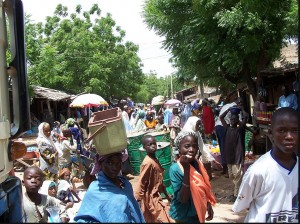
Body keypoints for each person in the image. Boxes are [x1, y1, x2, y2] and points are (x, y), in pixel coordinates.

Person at [232, 107, 298, 222]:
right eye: (282, 131)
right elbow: (244, 205)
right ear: (271, 133)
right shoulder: (258, 170)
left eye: (295, 131)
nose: (289, 136)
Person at [74, 152, 145, 223]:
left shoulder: (126, 185)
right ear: (100, 164)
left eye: (118, 163)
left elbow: (134, 211)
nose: (115, 167)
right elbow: (84, 219)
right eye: (109, 163)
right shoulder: (95, 189)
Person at [169, 131, 216, 223]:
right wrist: (186, 170)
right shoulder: (175, 169)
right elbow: (183, 198)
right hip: (183, 215)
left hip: (197, 211)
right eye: (187, 146)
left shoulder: (197, 164)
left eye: (194, 146)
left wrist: (207, 203)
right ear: (179, 148)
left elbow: (202, 188)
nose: (191, 149)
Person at [134, 135, 173, 222]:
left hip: (156, 196)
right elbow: (141, 182)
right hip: (151, 199)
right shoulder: (148, 163)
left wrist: (167, 195)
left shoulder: (155, 159)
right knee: (164, 219)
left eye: (154, 144)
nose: (153, 146)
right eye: (149, 144)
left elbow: (159, 181)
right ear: (144, 148)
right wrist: (137, 201)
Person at [220, 104, 249, 202]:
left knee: (237, 176)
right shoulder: (227, 128)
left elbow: (246, 117)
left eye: (234, 119)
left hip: (237, 157)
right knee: (232, 175)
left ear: (237, 120)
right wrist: (228, 110)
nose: (232, 121)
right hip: (229, 157)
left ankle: (237, 195)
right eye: (231, 119)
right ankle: (237, 192)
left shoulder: (240, 129)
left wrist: (242, 109)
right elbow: (221, 117)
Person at [183, 116, 222, 180]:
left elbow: (201, 145)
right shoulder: (187, 133)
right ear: (192, 124)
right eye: (197, 125)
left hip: (196, 157)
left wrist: (211, 159)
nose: (199, 127)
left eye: (199, 125)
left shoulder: (196, 132)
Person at [214, 97, 244, 176]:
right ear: (237, 102)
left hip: (218, 126)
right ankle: (227, 169)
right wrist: (242, 110)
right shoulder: (237, 109)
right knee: (226, 147)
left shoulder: (227, 105)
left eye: (241, 103)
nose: (240, 104)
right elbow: (240, 122)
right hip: (223, 127)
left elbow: (220, 116)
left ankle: (225, 168)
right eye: (240, 102)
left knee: (223, 147)